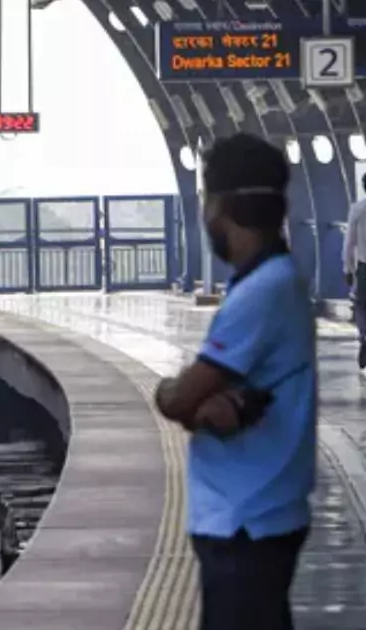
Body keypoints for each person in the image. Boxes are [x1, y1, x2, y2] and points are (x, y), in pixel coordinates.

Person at [153, 133, 316, 630]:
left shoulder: (261, 291)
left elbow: (181, 397)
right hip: (262, 509)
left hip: (246, 516)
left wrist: (169, 392)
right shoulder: (276, 279)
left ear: (219, 205)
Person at [341, 173, 366, 368]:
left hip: (364, 268)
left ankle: (364, 336)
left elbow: (349, 243)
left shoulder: (357, 209)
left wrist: (347, 269)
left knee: (361, 305)